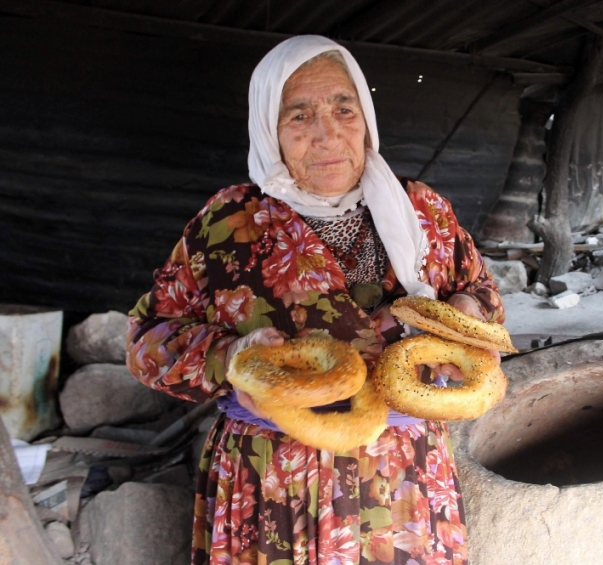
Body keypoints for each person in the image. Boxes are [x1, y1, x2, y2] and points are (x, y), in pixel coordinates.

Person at [126, 35, 505, 565]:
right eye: (299, 115)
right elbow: (148, 339)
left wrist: (467, 312)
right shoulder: (228, 224)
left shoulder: (425, 212)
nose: (327, 134)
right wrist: (232, 358)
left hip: (405, 480)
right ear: (269, 128)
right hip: (271, 480)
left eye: (342, 109)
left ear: (365, 117)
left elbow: (484, 294)